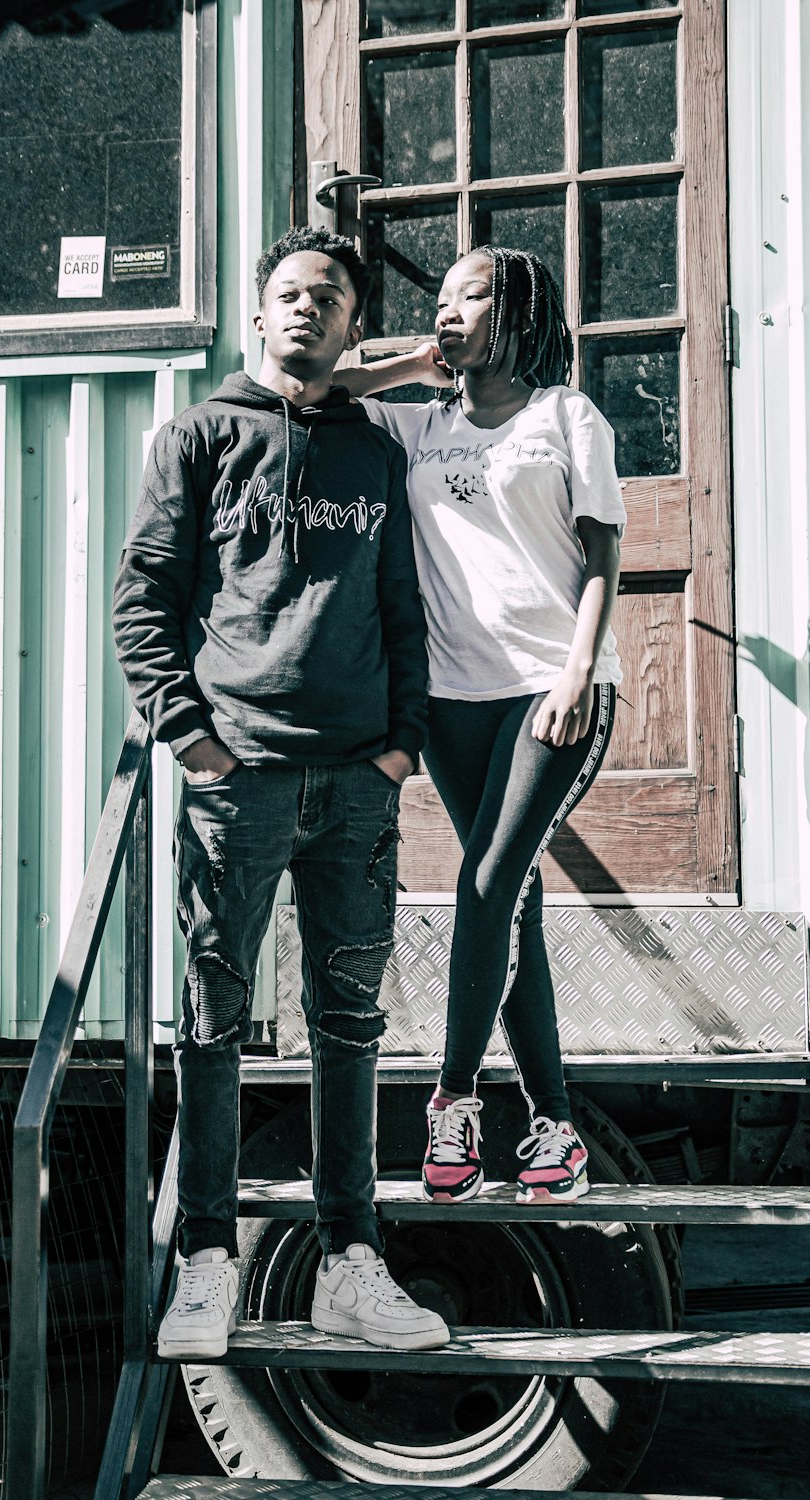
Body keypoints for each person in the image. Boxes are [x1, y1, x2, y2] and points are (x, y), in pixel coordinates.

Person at [112, 226, 449, 1360]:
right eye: (287, 294)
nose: (306, 309)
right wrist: (194, 744)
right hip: (236, 779)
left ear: (356, 324)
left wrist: (401, 746)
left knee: (346, 1027)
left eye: (328, 297)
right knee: (209, 1024)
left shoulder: (376, 454)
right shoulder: (203, 436)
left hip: (357, 784)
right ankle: (206, 1263)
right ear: (259, 314)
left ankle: (350, 1263)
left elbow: (403, 607)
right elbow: (143, 602)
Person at [339, 246, 625, 1206]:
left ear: (519, 311)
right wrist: (412, 364)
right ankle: (554, 1126)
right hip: (453, 700)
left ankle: (453, 1095)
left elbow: (602, 550)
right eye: (444, 298)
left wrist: (580, 670)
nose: (451, 311)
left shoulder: (564, 418)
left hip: (554, 687)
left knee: (490, 877)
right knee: (513, 906)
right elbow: (303, 384)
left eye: (473, 296)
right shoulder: (420, 426)